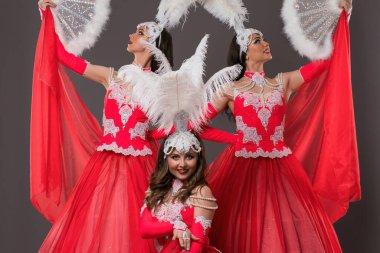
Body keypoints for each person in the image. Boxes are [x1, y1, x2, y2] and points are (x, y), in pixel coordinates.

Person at [196, 1, 360, 252]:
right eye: (258, 41)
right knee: (242, 223)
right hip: (242, 168)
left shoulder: (283, 82)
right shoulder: (231, 89)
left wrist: (341, 22)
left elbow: (325, 62)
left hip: (281, 168)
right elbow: (196, 125)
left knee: (284, 224)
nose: (265, 43)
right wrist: (233, 140)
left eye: (263, 39)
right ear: (245, 52)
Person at [32, 1, 173, 252]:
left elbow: (171, 127)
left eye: (140, 33)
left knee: (132, 229)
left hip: (139, 167)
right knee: (100, 226)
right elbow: (62, 56)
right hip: (105, 165)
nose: (131, 35)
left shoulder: (160, 87)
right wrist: (47, 16)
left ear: (153, 44)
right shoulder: (111, 76)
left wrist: (146, 135)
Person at [140, 132, 220, 253]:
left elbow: (198, 245)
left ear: (198, 159)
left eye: (189, 157)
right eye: (175, 157)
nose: (182, 164)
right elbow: (144, 230)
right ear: (165, 158)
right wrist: (176, 226)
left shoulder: (201, 191)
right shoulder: (157, 189)